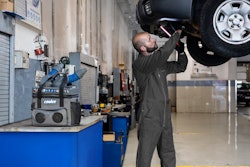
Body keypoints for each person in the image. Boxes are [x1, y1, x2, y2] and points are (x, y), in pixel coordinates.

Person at [132, 29, 188, 167]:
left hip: (164, 114)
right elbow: (162, 54)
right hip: (150, 115)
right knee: (145, 155)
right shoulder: (140, 64)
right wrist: (175, 35)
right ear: (143, 48)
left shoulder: (159, 65)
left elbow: (180, 67)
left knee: (168, 152)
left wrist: (181, 52)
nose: (154, 40)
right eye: (149, 39)